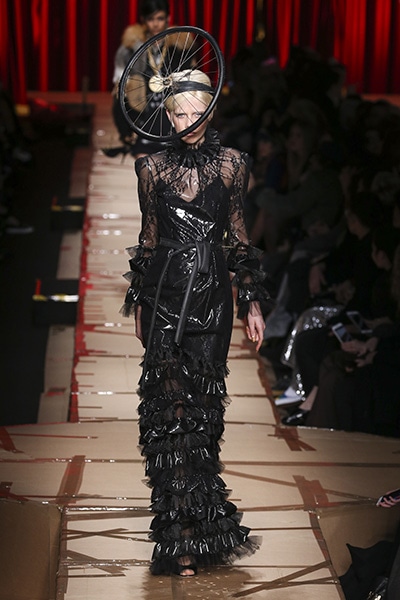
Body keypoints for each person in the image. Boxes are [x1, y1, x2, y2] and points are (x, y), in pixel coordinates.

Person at [120, 68, 269, 576]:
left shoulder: (233, 165)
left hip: (212, 299)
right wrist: (140, 302)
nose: (188, 121)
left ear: (211, 108)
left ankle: (205, 529)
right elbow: (148, 238)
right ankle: (180, 539)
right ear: (167, 115)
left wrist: (251, 302)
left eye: (196, 111)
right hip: (165, 296)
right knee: (170, 417)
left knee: (203, 418)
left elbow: (237, 234)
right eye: (178, 113)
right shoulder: (150, 168)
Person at [103, 0, 171, 159]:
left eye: (160, 18)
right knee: (146, 164)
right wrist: (125, 131)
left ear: (168, 18)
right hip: (143, 116)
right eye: (151, 19)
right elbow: (120, 90)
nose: (156, 24)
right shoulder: (131, 47)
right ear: (143, 20)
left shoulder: (179, 46)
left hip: (171, 115)